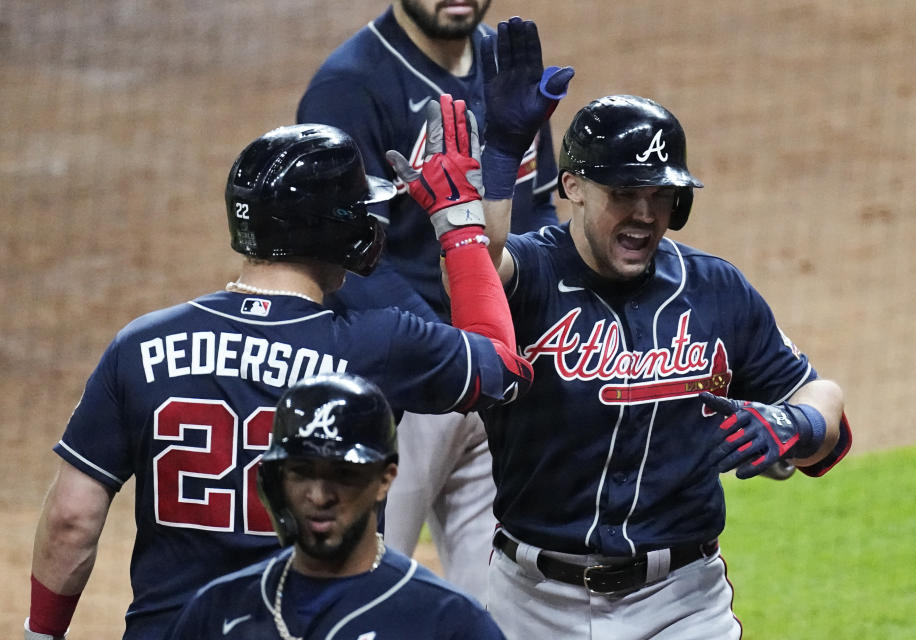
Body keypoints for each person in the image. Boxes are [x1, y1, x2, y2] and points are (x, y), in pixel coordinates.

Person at [24, 113, 531, 639]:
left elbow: (71, 519)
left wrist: (40, 635)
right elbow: (503, 368)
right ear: (337, 228)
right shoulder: (379, 344)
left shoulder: (139, 345)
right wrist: (460, 226)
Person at [467, 22, 855, 639]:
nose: (646, 214)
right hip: (533, 605)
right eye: (624, 193)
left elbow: (821, 397)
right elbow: (473, 264)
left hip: (682, 602)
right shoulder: (531, 273)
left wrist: (794, 423)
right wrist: (500, 156)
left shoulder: (715, 289)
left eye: (662, 194)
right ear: (573, 188)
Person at [296, 1, 572, 600]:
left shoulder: (508, 60)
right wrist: (448, 351)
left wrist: (519, 327)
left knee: (504, 598)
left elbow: (538, 206)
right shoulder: (351, 86)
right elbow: (344, 253)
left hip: (503, 372)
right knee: (361, 589)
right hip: (406, 389)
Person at [164, 372, 507, 639]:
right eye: (301, 472)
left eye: (342, 474)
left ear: (385, 479)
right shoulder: (218, 608)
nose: (319, 496)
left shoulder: (449, 622)